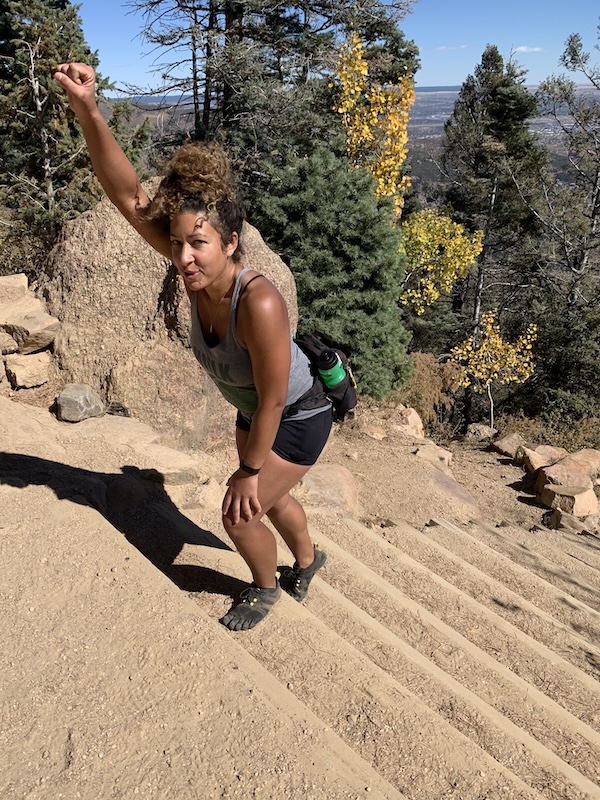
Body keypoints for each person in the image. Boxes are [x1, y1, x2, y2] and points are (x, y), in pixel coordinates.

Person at [54, 62, 333, 632]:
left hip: (299, 415)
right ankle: (308, 561)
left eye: (198, 244)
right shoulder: (193, 268)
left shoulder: (258, 303)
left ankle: (264, 587)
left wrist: (249, 471)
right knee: (272, 500)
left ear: (230, 242)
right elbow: (128, 196)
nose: (182, 258)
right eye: (177, 243)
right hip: (254, 407)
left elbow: (276, 400)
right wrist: (88, 108)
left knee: (240, 509)